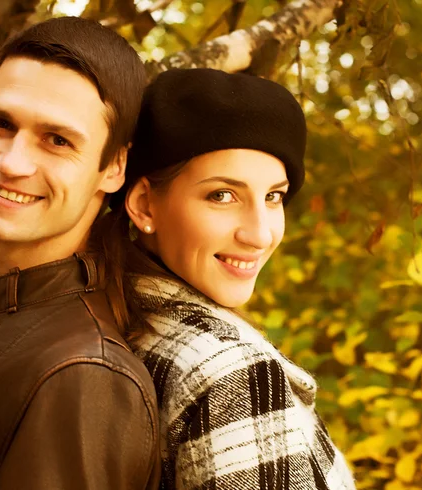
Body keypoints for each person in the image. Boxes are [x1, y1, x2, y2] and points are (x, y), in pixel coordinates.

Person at [0, 17, 160, 489]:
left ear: (113, 167)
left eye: (57, 140)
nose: (11, 162)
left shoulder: (85, 378)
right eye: (0, 123)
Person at [100, 68, 356, 489]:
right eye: (222, 195)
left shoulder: (103, 316)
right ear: (144, 204)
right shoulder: (234, 373)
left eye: (274, 197)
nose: (259, 234)